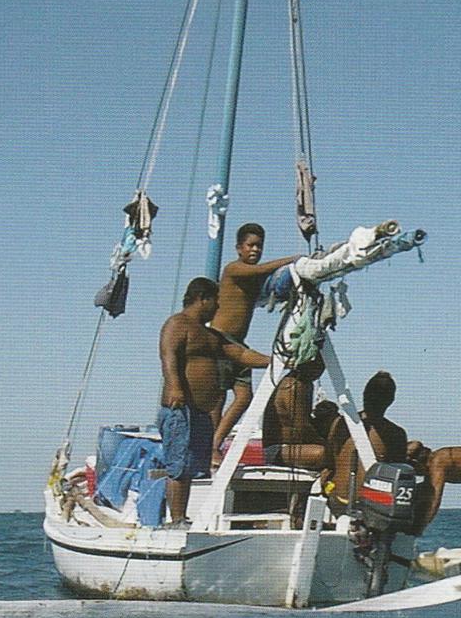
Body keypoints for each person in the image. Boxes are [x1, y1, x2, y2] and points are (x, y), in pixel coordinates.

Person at [159, 278, 269, 525]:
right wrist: (175, 385)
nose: (217, 307)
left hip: (199, 413)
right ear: (202, 299)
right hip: (180, 409)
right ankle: (176, 519)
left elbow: (240, 353)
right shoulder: (178, 324)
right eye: (214, 301)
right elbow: (169, 354)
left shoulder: (211, 335)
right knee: (178, 466)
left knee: (188, 468)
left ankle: (180, 516)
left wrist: (275, 361)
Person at [211, 223, 300, 450]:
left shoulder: (253, 279)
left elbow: (268, 281)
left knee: (244, 397)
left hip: (238, 344)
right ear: (239, 248)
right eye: (250, 245)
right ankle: (210, 448)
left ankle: (216, 442)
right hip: (220, 339)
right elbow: (262, 270)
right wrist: (294, 260)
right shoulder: (233, 269)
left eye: (259, 246)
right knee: (217, 399)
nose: (255, 250)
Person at [320, 369, 409, 512]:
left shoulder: (340, 424)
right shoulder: (396, 434)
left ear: (364, 394)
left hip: (335, 498)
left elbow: (328, 461)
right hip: (368, 506)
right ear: (391, 400)